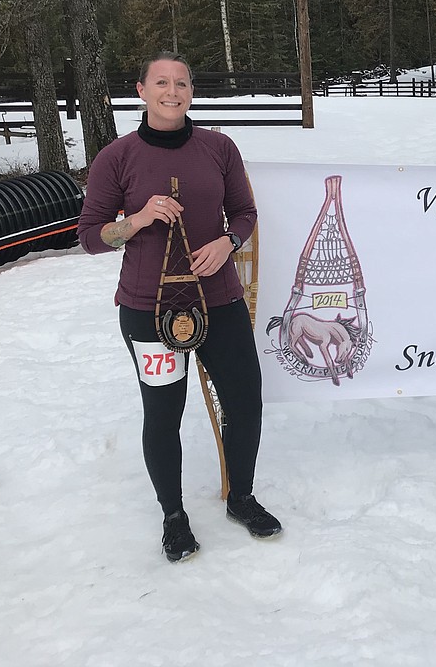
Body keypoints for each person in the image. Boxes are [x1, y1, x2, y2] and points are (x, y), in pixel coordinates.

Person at [77, 52, 281, 563]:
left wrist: (228, 242)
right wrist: (139, 218)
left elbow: (244, 210)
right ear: (141, 90)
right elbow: (91, 237)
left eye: (183, 83)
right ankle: (174, 516)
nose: (174, 92)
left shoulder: (218, 147)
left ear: (192, 91)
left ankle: (242, 497)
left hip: (219, 302)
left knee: (245, 401)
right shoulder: (117, 158)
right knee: (164, 412)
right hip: (148, 310)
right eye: (162, 82)